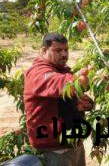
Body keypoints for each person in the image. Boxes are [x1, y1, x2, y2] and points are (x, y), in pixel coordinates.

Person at [23, 33, 93, 166]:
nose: (64, 54)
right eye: (58, 50)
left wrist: (79, 104)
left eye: (66, 50)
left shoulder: (62, 70)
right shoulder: (38, 73)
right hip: (53, 151)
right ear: (44, 50)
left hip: (73, 144)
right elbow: (60, 84)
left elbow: (62, 99)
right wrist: (80, 79)